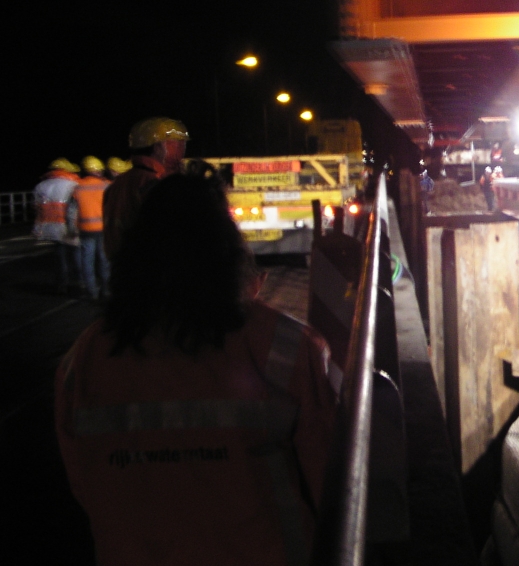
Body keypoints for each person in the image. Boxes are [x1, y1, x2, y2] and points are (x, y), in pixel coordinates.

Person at [55, 173, 337, 566]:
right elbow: (331, 484)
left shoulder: (86, 356)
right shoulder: (285, 346)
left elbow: (84, 482)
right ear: (228, 248)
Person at [103, 117, 188, 260]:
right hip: (149, 270)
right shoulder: (156, 183)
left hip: (121, 268)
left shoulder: (117, 184)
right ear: (158, 147)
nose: (181, 151)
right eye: (176, 145)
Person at [33, 158, 82, 294]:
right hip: (69, 225)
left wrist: (38, 229)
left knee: (59, 256)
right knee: (76, 253)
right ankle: (81, 281)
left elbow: (37, 209)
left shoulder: (40, 186)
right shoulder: (73, 184)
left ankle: (62, 283)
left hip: (50, 226)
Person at [73, 156, 111, 301]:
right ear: (99, 170)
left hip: (85, 229)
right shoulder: (106, 185)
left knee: (87, 261)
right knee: (104, 260)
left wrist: (72, 229)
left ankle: (92, 292)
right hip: (104, 228)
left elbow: (72, 211)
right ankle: (106, 290)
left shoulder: (78, 187)